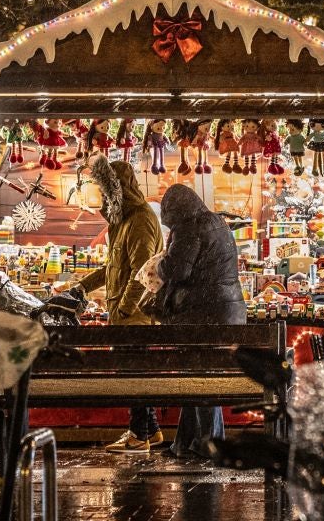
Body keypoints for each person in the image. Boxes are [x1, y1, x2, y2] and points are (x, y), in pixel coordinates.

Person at [70, 161, 164, 453]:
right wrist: (82, 286)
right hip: (126, 314)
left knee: (133, 373)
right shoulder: (123, 221)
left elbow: (142, 270)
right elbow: (112, 267)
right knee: (132, 372)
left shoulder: (139, 219)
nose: (102, 196)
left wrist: (124, 308)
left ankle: (138, 435)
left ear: (117, 190)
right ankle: (150, 431)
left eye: (105, 190)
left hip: (135, 316)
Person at [152, 183, 247, 459]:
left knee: (201, 378)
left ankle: (209, 444)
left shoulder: (189, 226)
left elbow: (177, 269)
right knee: (197, 375)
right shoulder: (216, 221)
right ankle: (188, 442)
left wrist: (157, 264)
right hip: (226, 312)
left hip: (202, 313)